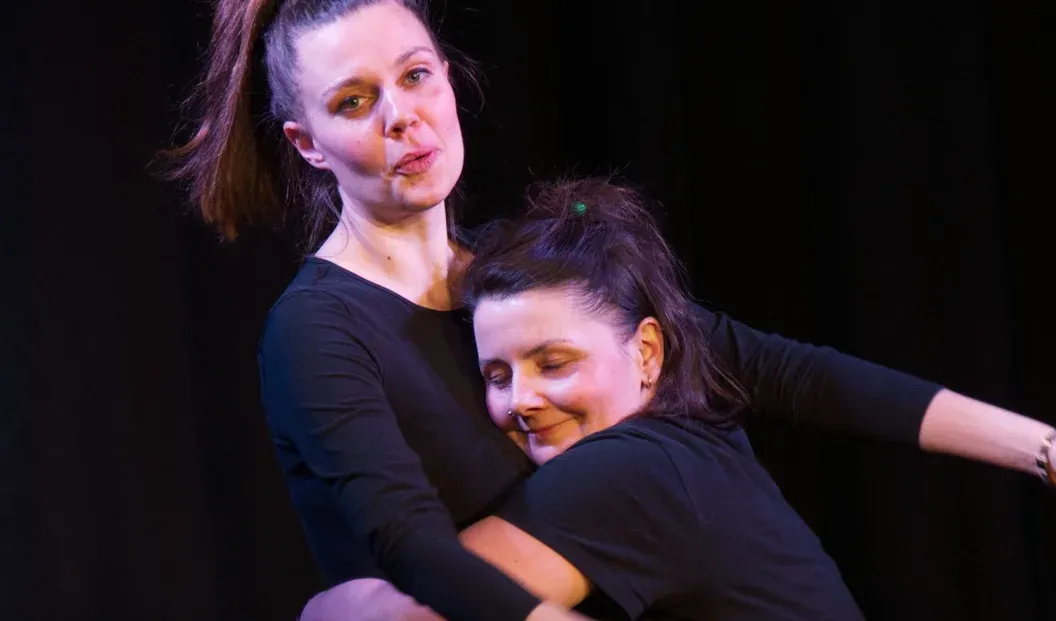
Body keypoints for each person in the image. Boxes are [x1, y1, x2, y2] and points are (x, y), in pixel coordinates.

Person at [159, 0, 1056, 619]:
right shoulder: (318, 329)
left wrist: (1042, 448)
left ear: (449, 80)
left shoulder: (517, 273)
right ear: (308, 143)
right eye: (355, 102)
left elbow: (776, 368)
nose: (402, 117)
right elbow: (411, 548)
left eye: (416, 76)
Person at [453, 176, 866, 619]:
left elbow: (411, 609)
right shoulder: (687, 448)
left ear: (647, 352)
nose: (520, 400)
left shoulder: (630, 471)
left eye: (553, 364)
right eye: (498, 377)